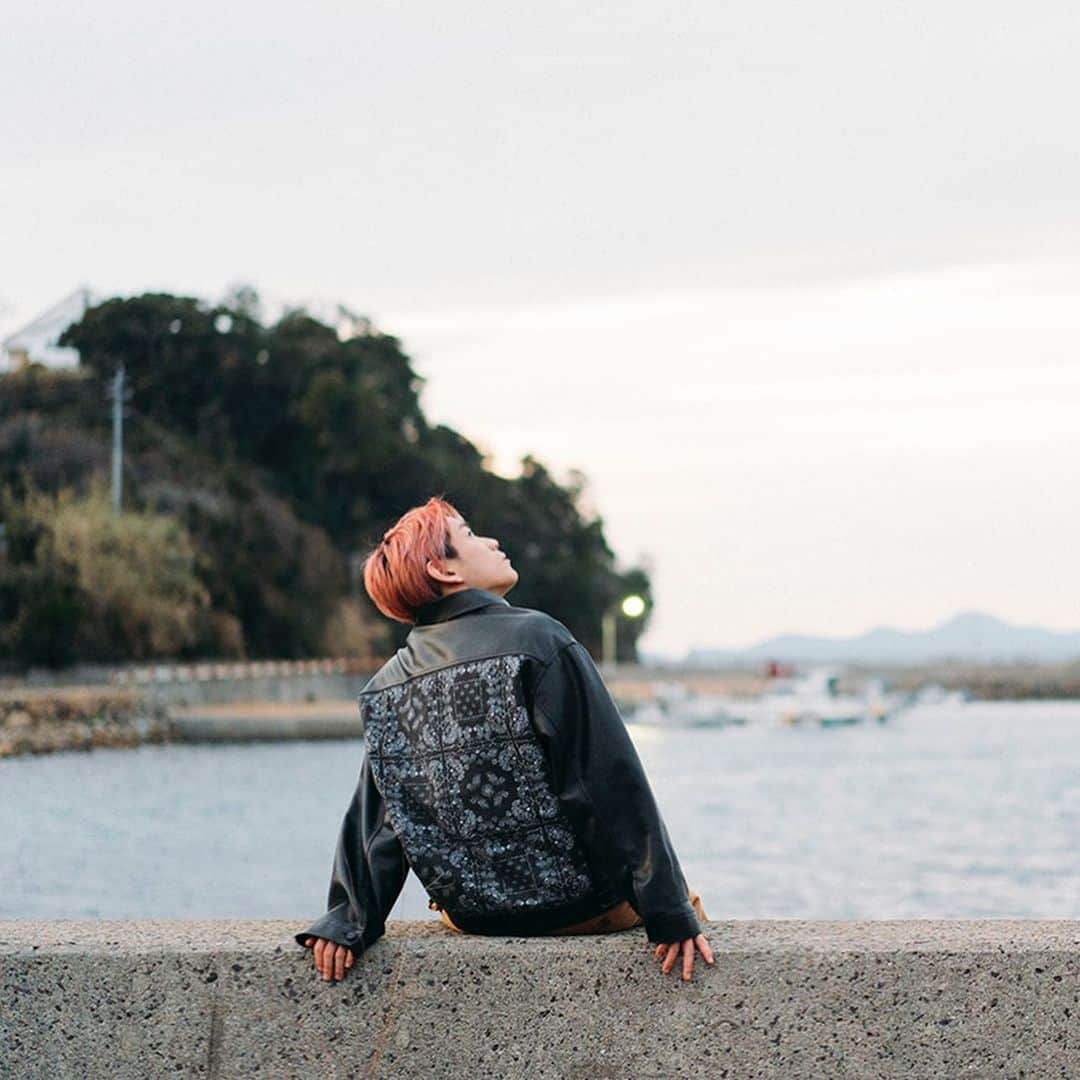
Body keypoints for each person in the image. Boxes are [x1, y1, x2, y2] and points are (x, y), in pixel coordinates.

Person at [296, 497, 713, 983]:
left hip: (472, 918)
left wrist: (348, 919)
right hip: (578, 909)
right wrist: (668, 912)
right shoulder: (538, 640)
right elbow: (607, 781)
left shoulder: (387, 685)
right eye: (470, 535)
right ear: (442, 569)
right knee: (693, 920)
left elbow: (381, 823)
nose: (492, 542)